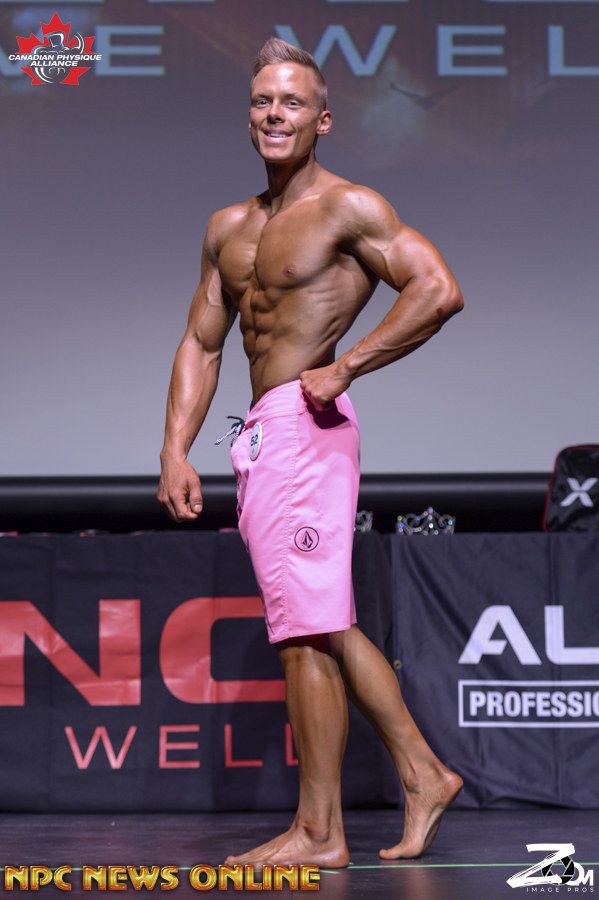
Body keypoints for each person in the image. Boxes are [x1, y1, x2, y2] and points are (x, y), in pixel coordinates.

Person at [157, 37, 464, 868]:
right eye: (263, 100)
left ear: (321, 120)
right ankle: (421, 774)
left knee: (304, 632)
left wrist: (348, 364)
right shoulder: (228, 227)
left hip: (306, 425)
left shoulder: (348, 208)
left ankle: (322, 830)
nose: (274, 113)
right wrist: (175, 449)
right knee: (316, 624)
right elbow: (202, 341)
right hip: (262, 432)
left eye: (291, 102)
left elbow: (438, 289)